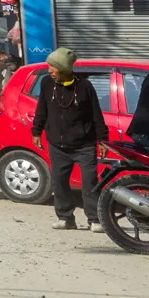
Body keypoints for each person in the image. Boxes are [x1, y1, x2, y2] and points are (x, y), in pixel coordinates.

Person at [31, 46, 103, 230]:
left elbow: (96, 114)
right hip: (57, 144)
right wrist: (36, 131)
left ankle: (94, 220)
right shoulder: (47, 83)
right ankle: (65, 218)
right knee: (59, 181)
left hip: (84, 145)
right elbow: (42, 108)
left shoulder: (85, 86)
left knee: (90, 183)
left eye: (52, 67)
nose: (49, 71)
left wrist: (102, 140)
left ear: (63, 68)